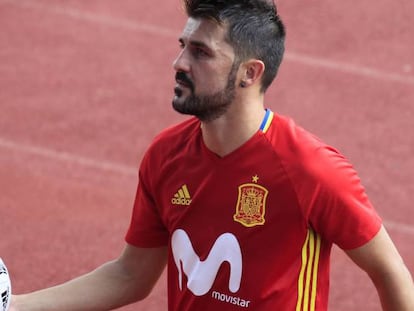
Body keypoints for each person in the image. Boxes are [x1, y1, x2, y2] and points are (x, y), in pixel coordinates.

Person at [10, 0, 414, 310]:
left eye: (200, 53)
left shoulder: (310, 169)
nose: (179, 62)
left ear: (249, 73)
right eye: (183, 46)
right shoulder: (165, 156)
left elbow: (390, 272)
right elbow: (131, 274)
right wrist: (13, 304)